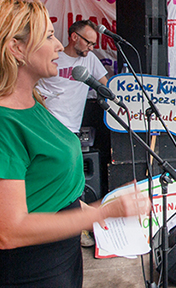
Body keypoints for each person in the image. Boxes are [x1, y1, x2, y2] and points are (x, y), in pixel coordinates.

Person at [0, 1, 150, 288]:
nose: (59, 45)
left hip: (57, 257)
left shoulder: (31, 99)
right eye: (49, 36)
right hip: (29, 270)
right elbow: (8, 229)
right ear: (15, 47)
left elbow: (47, 183)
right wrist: (101, 214)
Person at [35, 19, 108, 248]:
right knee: (50, 182)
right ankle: (50, 230)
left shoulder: (91, 61)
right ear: (74, 37)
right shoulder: (52, 58)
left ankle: (75, 228)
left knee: (73, 183)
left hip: (72, 131)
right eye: (88, 42)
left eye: (95, 44)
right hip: (47, 128)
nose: (91, 47)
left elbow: (107, 86)